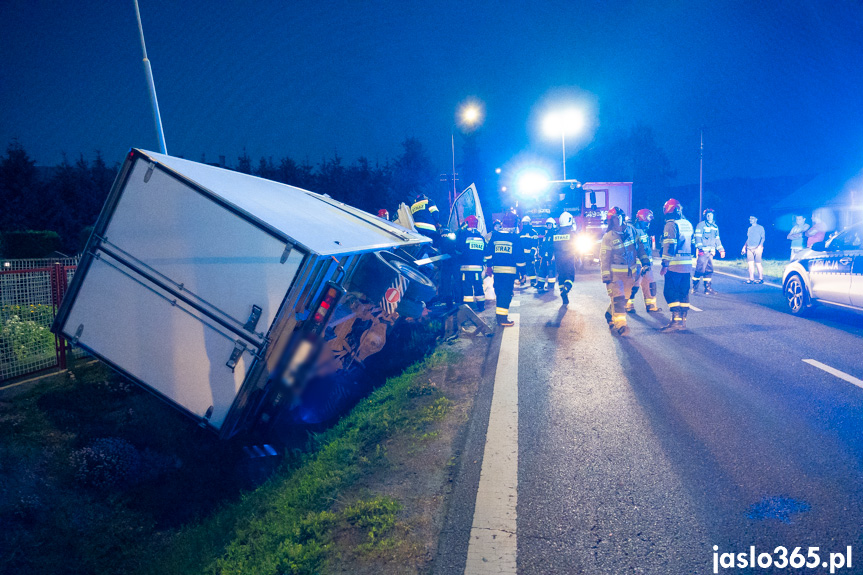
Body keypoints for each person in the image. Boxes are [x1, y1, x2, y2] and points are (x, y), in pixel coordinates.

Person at [601, 207, 651, 336]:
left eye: (619, 217)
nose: (617, 220)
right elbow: (604, 257)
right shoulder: (608, 236)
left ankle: (609, 314)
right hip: (615, 275)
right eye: (614, 218)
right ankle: (621, 326)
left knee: (624, 299)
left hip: (630, 274)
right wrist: (605, 275)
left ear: (623, 217)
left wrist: (645, 262)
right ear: (611, 220)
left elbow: (640, 248)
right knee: (618, 298)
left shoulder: (632, 230)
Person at [659, 198, 694, 331]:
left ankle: (675, 321)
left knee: (670, 292)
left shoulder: (671, 224)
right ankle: (682, 322)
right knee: (683, 292)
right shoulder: (687, 223)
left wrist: (665, 263)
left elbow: (670, 244)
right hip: (687, 265)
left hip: (675, 265)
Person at [484, 219, 524, 327]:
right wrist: (522, 273)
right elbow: (519, 257)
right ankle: (502, 319)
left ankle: (499, 317)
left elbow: (488, 253)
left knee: (499, 293)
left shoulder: (495, 236)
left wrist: (489, 266)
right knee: (506, 294)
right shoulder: (514, 238)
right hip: (509, 273)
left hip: (497, 272)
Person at [627, 208, 662, 313]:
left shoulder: (643, 231)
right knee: (634, 286)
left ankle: (651, 305)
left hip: (647, 265)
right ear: (641, 220)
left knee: (650, 284)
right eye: (647, 222)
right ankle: (628, 305)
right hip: (637, 264)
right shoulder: (632, 231)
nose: (648, 224)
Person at [455, 215, 486, 312]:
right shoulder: (481, 237)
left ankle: (469, 307)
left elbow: (458, 249)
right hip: (478, 267)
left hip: (466, 267)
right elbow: (485, 252)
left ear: (467, 223)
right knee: (478, 285)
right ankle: (481, 306)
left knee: (467, 286)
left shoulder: (463, 235)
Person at [692, 208, 726, 294]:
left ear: (713, 215)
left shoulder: (715, 227)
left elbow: (717, 239)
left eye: (710, 214)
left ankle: (708, 288)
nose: (709, 216)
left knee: (709, 270)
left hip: (711, 252)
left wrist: (721, 250)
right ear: (705, 216)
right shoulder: (701, 225)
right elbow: (697, 238)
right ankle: (694, 288)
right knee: (700, 270)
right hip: (703, 252)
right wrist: (700, 249)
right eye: (707, 214)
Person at [552, 211, 579, 305]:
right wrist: (578, 256)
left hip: (558, 259)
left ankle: (563, 294)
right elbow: (577, 246)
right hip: (569, 257)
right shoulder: (572, 234)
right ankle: (566, 288)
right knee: (570, 275)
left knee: (561, 276)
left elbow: (552, 246)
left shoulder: (555, 234)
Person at [535, 217, 558, 293]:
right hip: (545, 256)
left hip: (551, 256)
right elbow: (544, 245)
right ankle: (540, 284)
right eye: (547, 225)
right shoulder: (547, 234)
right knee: (542, 270)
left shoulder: (555, 234)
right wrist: (540, 253)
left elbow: (554, 246)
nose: (548, 227)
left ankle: (551, 285)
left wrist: (553, 256)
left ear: (553, 225)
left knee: (551, 271)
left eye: (550, 225)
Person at [741, 215, 765, 284]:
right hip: (749, 248)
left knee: (758, 263)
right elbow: (748, 238)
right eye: (750, 218)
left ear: (756, 219)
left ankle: (760, 278)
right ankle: (751, 278)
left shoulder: (760, 228)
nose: (750, 220)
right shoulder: (749, 228)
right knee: (750, 264)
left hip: (757, 248)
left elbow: (763, 238)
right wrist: (744, 247)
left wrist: (760, 246)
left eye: (752, 218)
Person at [518, 216, 539, 286]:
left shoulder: (533, 233)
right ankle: (522, 280)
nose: (525, 224)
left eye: (526, 223)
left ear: (529, 223)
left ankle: (533, 281)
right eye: (524, 223)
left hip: (530, 254)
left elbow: (535, 243)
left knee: (531, 268)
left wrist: (532, 252)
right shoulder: (521, 233)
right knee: (521, 268)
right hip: (522, 255)